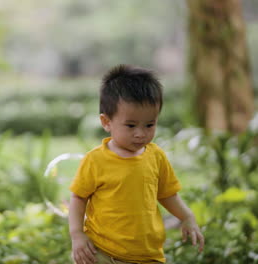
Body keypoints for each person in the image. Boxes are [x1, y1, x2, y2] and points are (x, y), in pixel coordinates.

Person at [68, 65, 204, 264]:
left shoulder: (156, 156)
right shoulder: (96, 160)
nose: (141, 133)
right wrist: (77, 234)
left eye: (150, 124)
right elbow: (78, 198)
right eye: (130, 125)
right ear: (106, 122)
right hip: (102, 253)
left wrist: (187, 217)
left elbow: (167, 194)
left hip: (148, 255)